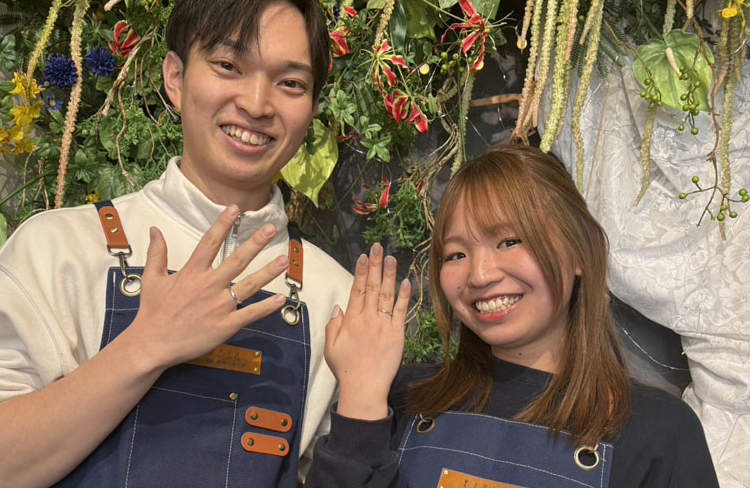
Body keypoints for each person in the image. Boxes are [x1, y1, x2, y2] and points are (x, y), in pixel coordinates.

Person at [0, 0, 353, 487]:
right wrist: (144, 347)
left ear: (311, 109)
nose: (256, 103)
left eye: (290, 82)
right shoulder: (59, 249)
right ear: (175, 77)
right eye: (228, 65)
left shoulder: (335, 298)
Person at [306, 144, 719, 488]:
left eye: (509, 241)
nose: (480, 275)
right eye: (456, 254)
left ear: (582, 249)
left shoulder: (658, 432)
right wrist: (360, 395)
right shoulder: (404, 399)